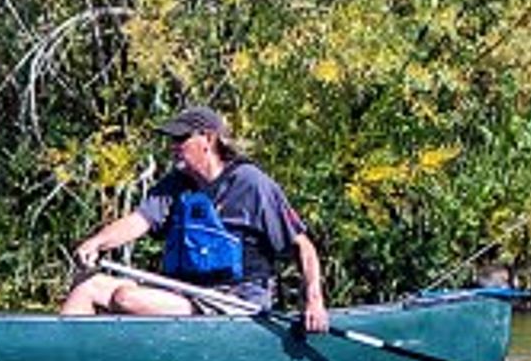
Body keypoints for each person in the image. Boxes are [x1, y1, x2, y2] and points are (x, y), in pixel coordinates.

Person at [62, 105, 330, 332]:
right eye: (172, 140)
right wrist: (96, 243)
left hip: (234, 301)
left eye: (181, 139)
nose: (173, 147)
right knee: (88, 287)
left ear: (208, 139)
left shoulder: (252, 184)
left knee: (126, 298)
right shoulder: (176, 185)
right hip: (183, 292)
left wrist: (314, 301)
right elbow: (138, 221)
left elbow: (303, 247)